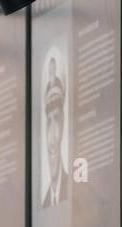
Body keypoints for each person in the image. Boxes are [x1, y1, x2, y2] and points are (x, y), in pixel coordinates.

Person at [42, 55, 70, 208]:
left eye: (57, 120)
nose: (52, 139)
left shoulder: (73, 192)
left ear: (64, 122)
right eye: (48, 122)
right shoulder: (45, 203)